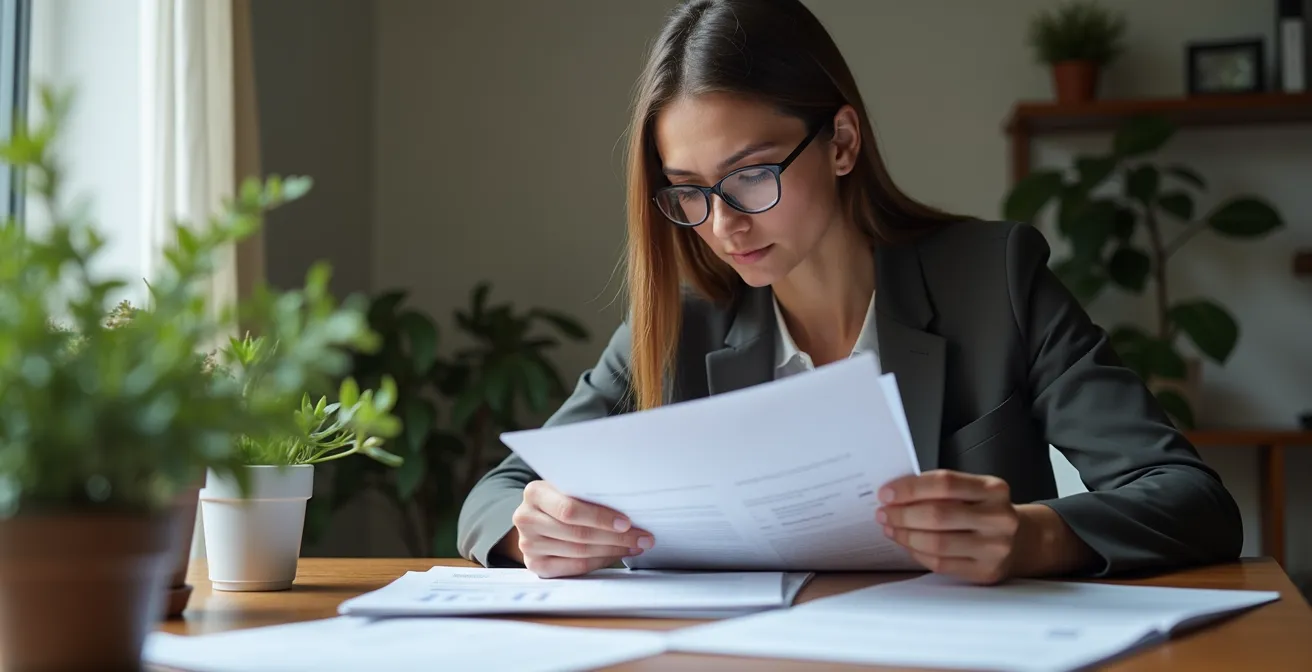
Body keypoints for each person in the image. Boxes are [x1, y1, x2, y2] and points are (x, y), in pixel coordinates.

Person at [456, 0, 1242, 584]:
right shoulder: (684, 315)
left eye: (751, 175)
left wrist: (1033, 536)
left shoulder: (993, 278)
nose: (722, 225)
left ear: (840, 142)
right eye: (688, 190)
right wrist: (530, 533)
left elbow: (1190, 499)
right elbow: (501, 491)